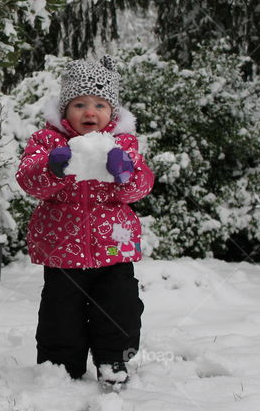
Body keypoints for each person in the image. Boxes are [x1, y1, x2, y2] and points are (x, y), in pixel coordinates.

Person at [15, 56, 155, 389]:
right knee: (60, 314)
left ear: (112, 112)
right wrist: (52, 168)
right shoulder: (47, 143)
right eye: (79, 104)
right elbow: (28, 180)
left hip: (113, 249)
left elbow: (141, 188)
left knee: (120, 310)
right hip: (63, 251)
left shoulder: (123, 144)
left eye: (99, 104)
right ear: (65, 110)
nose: (89, 112)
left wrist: (125, 174)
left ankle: (113, 361)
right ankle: (60, 369)